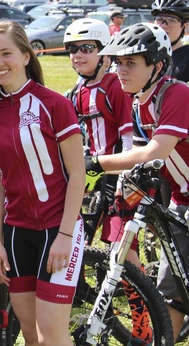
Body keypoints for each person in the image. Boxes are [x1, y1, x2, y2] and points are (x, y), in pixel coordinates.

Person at [86, 22, 189, 346]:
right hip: (181, 198)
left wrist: (97, 163)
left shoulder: (176, 94)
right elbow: (149, 162)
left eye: (131, 63)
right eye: (118, 63)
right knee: (172, 293)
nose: (121, 70)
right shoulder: (140, 101)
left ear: (156, 66)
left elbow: (153, 151)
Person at [0, 20, 85, 346]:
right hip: (16, 235)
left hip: (59, 228)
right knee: (30, 335)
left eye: (6, 53)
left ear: (26, 56)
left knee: (52, 336)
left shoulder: (55, 104)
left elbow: (78, 174)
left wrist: (66, 236)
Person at [64, 19, 153, 344]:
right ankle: (83, 304)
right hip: (91, 174)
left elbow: (129, 135)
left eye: (86, 48)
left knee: (122, 250)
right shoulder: (78, 90)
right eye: (72, 49)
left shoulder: (115, 84)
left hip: (119, 172)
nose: (78, 55)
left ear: (104, 54)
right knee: (77, 240)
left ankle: (144, 322)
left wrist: (123, 178)